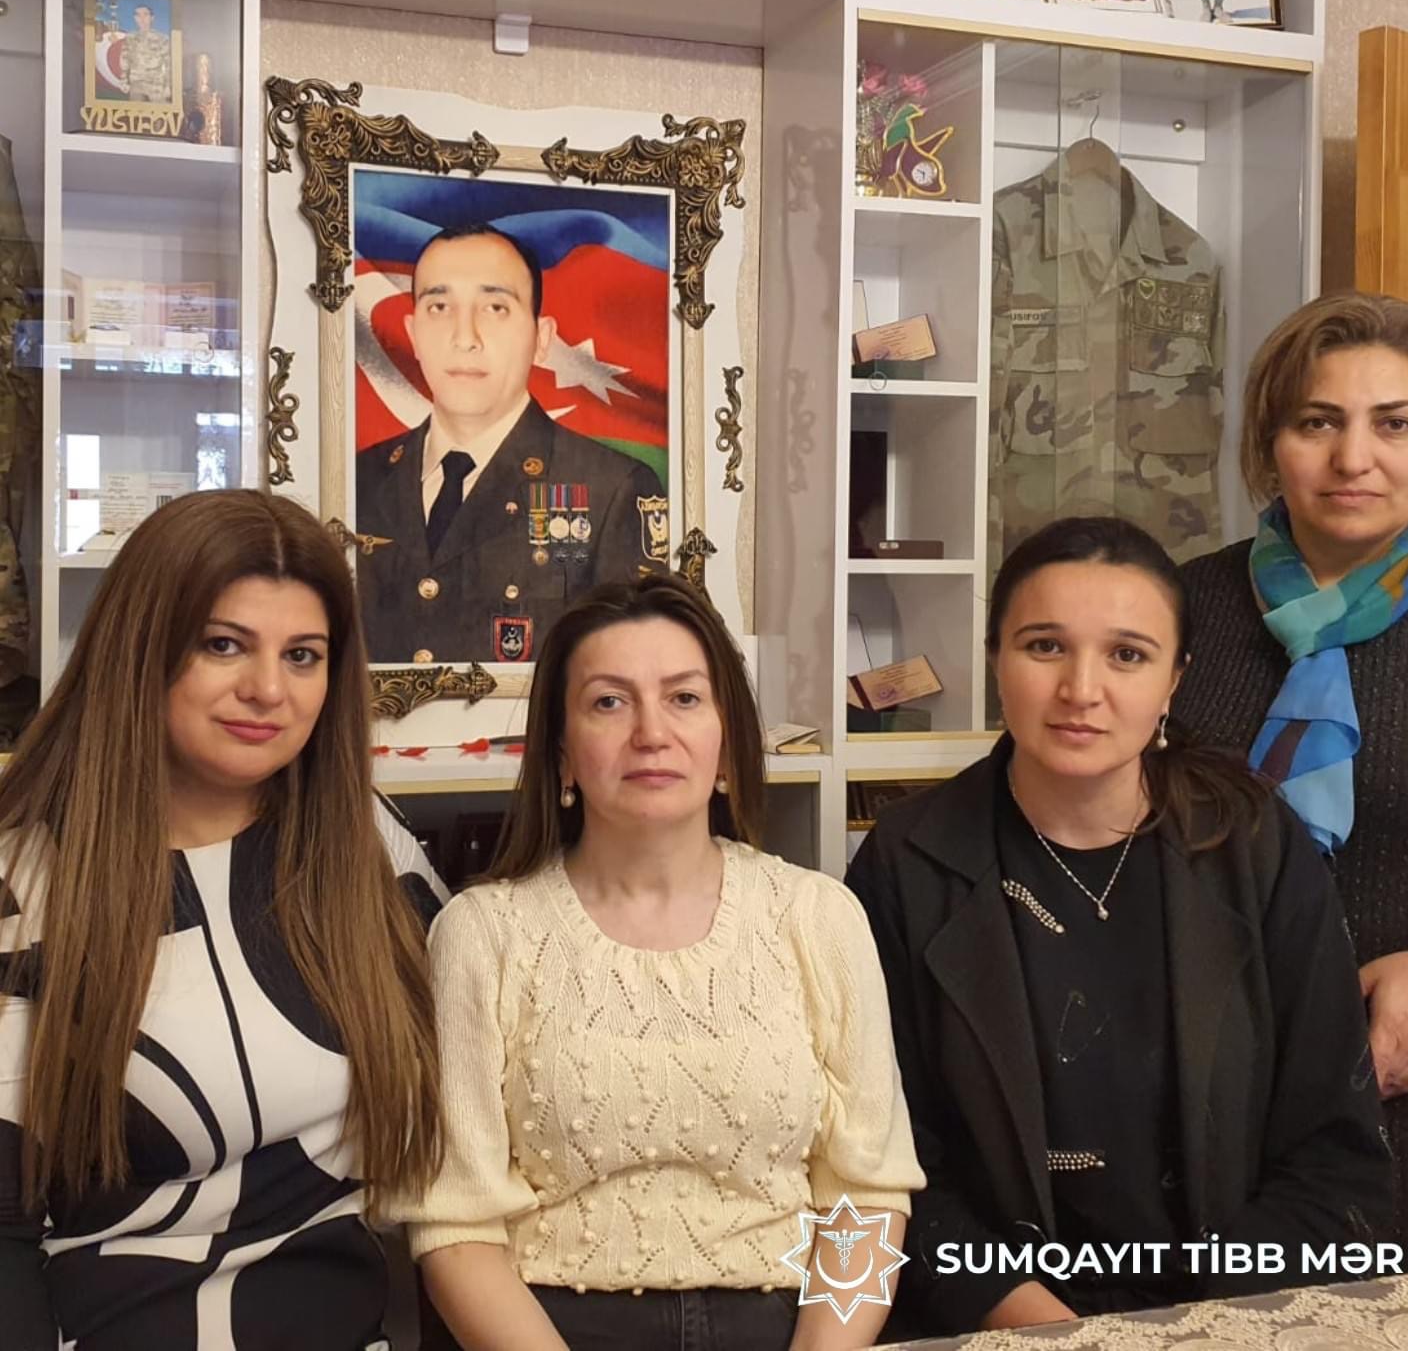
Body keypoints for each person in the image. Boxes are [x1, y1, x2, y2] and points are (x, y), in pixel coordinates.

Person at [847, 517, 1390, 1339]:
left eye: (1127, 655)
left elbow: (1334, 1147)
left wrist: (1190, 1325)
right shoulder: (906, 861)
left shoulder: (1251, 843)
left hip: (1226, 1317)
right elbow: (884, 1161)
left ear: (1174, 680)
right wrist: (1046, 1327)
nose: (1081, 689)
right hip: (995, 1321)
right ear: (995, 659)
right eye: (1044, 647)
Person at [396, 573, 923, 1351]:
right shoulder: (482, 935)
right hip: (546, 1327)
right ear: (562, 754)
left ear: (726, 741)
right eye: (609, 702)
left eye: (684, 698)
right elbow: (456, 1224)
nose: (651, 732)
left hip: (794, 1326)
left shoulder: (819, 918)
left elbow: (869, 1196)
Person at [0, 489, 446, 1351]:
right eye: (223, 645)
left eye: (303, 655)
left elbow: (476, 1153)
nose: (267, 690)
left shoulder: (369, 845)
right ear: (141, 649)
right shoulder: (26, 883)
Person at [1172, 292, 1408, 1259]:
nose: (1353, 458)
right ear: (1271, 442)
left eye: (1396, 424)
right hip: (1218, 1102)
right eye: (1317, 422)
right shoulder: (1180, 608)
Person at [355, 223, 669, 666]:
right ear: (413, 333)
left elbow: (635, 668)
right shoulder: (359, 479)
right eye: (439, 307)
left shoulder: (613, 489)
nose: (465, 338)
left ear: (541, 340)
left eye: (495, 308)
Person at [123, 1, 173, 102]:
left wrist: (168, 85)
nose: (142, 19)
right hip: (136, 83)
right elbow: (125, 60)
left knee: (160, 110)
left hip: (156, 83)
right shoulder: (130, 38)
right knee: (136, 111)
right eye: (138, 15)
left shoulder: (162, 38)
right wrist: (124, 81)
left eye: (145, 15)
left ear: (152, 17)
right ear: (135, 18)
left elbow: (168, 63)